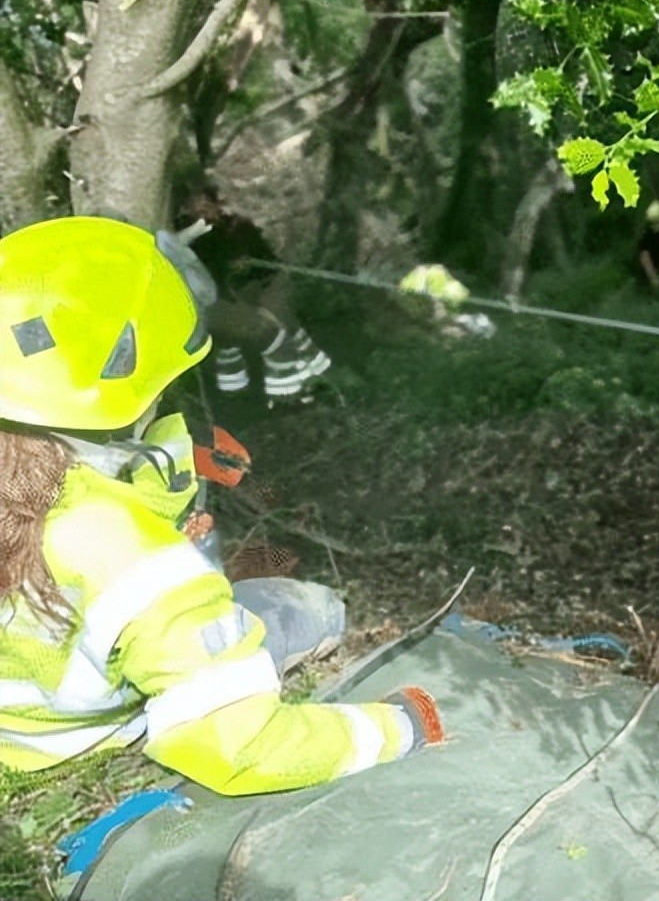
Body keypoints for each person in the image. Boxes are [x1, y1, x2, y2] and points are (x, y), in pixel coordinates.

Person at [0, 216, 443, 796]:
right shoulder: (135, 556)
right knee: (321, 610)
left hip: (20, 718)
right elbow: (237, 747)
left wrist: (178, 451)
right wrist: (402, 727)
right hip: (82, 731)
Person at [179, 187, 331, 405]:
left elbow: (268, 262)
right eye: (197, 207)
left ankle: (305, 376)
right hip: (221, 297)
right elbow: (205, 273)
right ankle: (262, 392)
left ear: (216, 205)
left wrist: (247, 261)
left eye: (206, 205)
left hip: (257, 285)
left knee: (280, 314)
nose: (203, 211)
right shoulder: (193, 237)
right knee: (252, 331)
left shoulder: (240, 227)